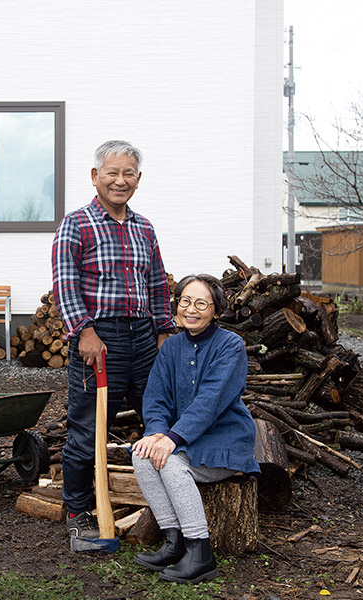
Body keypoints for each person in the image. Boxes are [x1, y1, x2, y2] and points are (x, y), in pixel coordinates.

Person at [51, 140, 175, 542]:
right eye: (112, 173)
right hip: (99, 339)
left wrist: (162, 333)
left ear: (138, 180)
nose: (120, 181)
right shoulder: (77, 224)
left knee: (157, 421)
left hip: (143, 337)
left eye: (128, 174)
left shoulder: (144, 227)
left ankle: (170, 506)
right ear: (95, 177)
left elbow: (157, 284)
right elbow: (65, 285)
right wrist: (84, 332)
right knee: (89, 430)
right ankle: (79, 511)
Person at [130, 274, 260, 584]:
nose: (191, 309)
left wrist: (172, 439)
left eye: (201, 303)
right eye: (185, 302)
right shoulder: (172, 346)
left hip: (225, 439)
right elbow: (156, 396)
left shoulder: (230, 345)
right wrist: (157, 433)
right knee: (142, 454)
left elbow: (211, 401)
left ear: (216, 309)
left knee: (171, 464)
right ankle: (175, 543)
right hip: (184, 438)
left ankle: (201, 554)